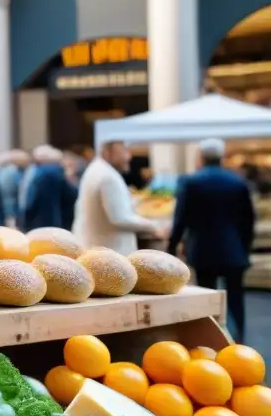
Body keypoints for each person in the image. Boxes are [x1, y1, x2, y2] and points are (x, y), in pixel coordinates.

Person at [168, 139, 254, 342]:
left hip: (203, 249)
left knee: (207, 297)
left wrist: (172, 247)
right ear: (222, 157)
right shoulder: (237, 182)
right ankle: (240, 336)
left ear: (201, 157)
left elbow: (181, 219)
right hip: (234, 249)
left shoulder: (191, 182)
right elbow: (248, 220)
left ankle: (213, 338)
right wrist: (245, 247)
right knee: (236, 296)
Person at [73, 141, 161, 254]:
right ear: (108, 152)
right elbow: (120, 218)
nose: (128, 157)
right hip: (109, 254)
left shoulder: (97, 169)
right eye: (124, 150)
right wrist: (154, 226)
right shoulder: (106, 176)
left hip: (98, 250)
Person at [23, 145, 76, 231]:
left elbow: (30, 200)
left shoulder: (36, 171)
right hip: (53, 220)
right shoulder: (55, 172)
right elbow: (71, 195)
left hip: (38, 220)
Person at [0, 150, 29, 226]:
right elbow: (19, 187)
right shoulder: (13, 171)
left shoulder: (3, 170)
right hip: (12, 206)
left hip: (6, 205)